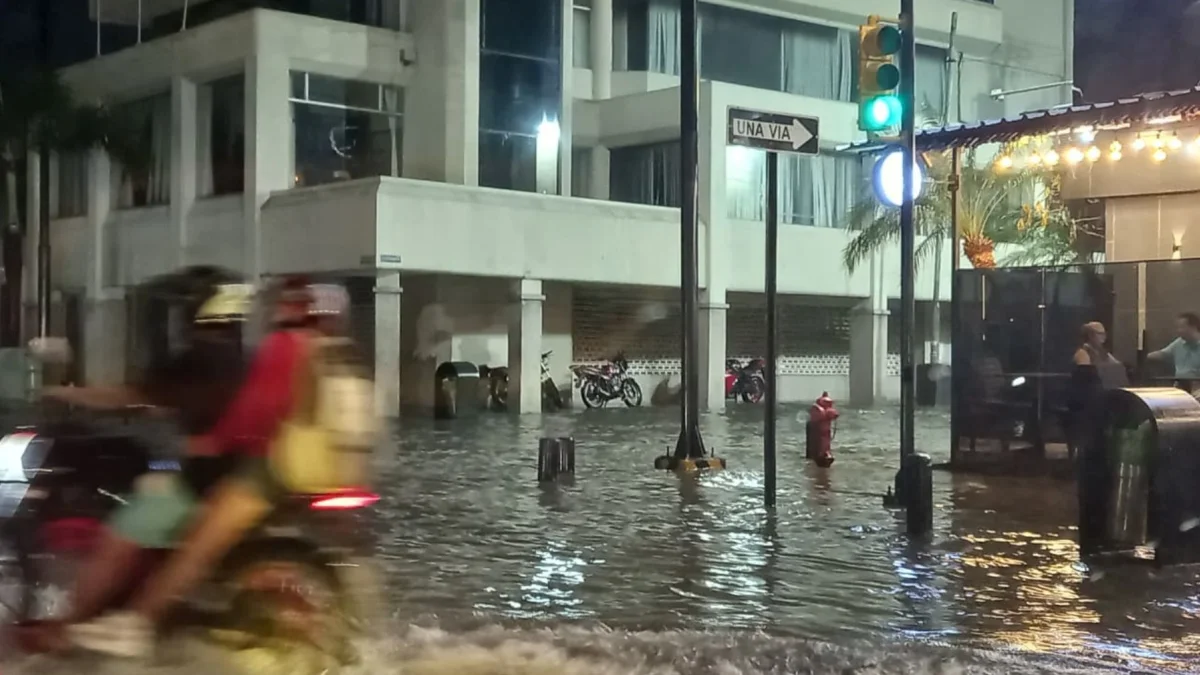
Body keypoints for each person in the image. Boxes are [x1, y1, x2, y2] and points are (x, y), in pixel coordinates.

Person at [69, 278, 353, 659]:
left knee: (195, 544)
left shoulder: (283, 345)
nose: (278, 308)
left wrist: (213, 442)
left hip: (274, 471)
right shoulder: (334, 352)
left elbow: (259, 408)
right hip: (320, 473)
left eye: (287, 302)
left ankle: (135, 624)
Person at [16, 273, 251, 652]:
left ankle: (69, 627)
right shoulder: (242, 359)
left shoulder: (197, 360)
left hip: (204, 481)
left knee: (122, 532)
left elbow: (128, 396)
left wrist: (63, 393)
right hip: (234, 475)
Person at [1147, 312, 1200, 382]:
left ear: (1193, 327)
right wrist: (1145, 356)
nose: (1178, 331)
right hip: (1179, 385)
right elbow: (1162, 354)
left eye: (1182, 327)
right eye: (1178, 327)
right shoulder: (1178, 343)